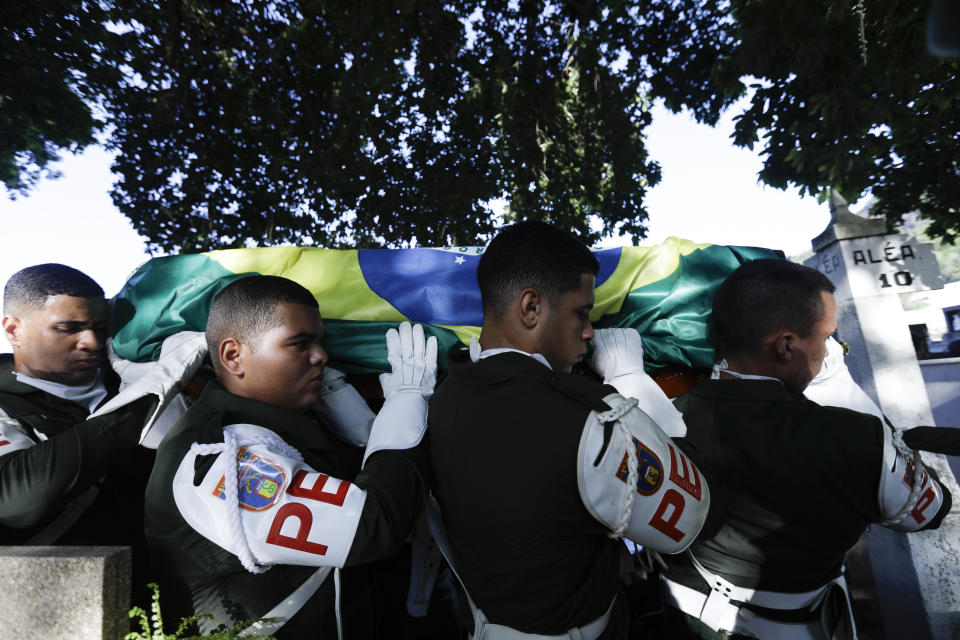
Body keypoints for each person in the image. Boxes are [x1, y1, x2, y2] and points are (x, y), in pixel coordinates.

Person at [427, 221, 715, 639]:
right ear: (530, 308)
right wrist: (631, 377)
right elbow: (692, 516)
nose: (588, 332)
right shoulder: (585, 415)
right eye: (581, 313)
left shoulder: (441, 396)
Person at [657, 258, 952, 640]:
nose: (833, 349)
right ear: (786, 345)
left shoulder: (666, 419)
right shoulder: (855, 435)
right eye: (827, 335)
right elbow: (928, 511)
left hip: (692, 621)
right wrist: (854, 403)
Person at [144, 275, 437, 638]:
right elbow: (372, 526)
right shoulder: (217, 452)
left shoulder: (294, 424)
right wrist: (406, 402)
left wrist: (362, 429)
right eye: (299, 344)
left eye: (320, 342)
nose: (321, 356)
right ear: (234, 356)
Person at [0, 264, 204, 565]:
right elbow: (16, 499)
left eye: (99, 328)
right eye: (68, 328)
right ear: (13, 330)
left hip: (179, 590)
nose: (91, 343)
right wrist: (149, 395)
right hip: (77, 600)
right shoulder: (6, 403)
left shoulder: (130, 374)